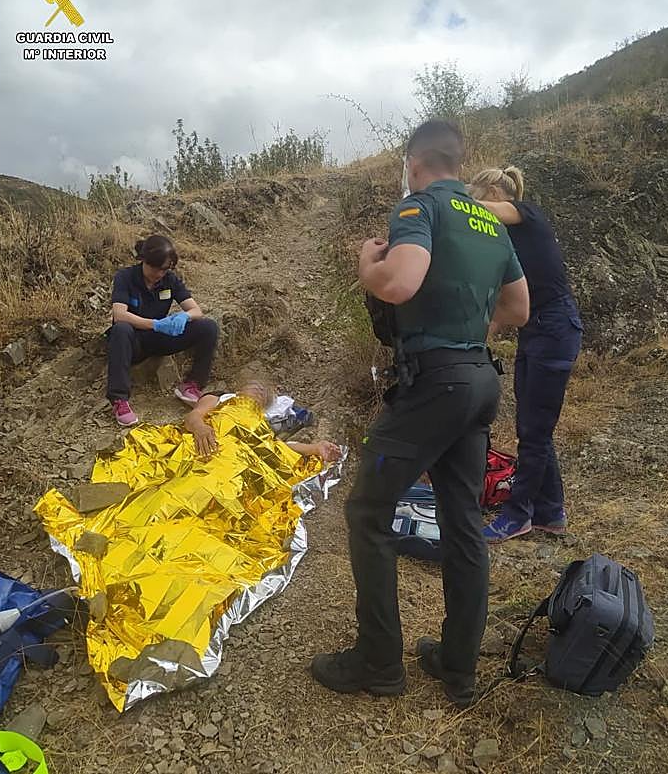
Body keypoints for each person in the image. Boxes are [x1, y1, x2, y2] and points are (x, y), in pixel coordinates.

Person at [310, 120, 530, 706]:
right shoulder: (489, 218)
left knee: (367, 509)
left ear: (413, 162)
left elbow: (400, 283)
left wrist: (366, 268)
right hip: (480, 380)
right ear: (460, 161)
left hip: (435, 384)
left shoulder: (419, 207)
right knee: (463, 518)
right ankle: (458, 667)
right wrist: (471, 334)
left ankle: (378, 663)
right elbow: (520, 306)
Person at [469, 167, 583, 542]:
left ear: (491, 193)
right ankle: (551, 512)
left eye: (478, 195)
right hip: (535, 330)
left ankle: (519, 515)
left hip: (555, 328)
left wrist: (451, 199)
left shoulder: (526, 214)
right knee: (532, 427)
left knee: (534, 432)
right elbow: (507, 303)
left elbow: (494, 211)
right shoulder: (504, 244)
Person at [107, 234, 219, 426]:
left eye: (165, 269)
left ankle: (191, 385)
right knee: (120, 329)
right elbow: (120, 314)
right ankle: (119, 400)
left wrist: (184, 317)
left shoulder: (169, 280)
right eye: (156, 268)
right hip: (134, 342)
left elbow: (196, 310)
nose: (159, 274)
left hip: (160, 339)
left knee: (208, 327)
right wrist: (155, 324)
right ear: (144, 260)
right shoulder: (125, 278)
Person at [183, 374, 342, 462]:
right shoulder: (220, 399)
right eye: (255, 386)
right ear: (239, 389)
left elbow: (273, 447)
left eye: (263, 390)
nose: (259, 391)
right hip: (199, 449)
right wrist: (200, 427)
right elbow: (192, 416)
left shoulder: (259, 420)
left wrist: (314, 448)